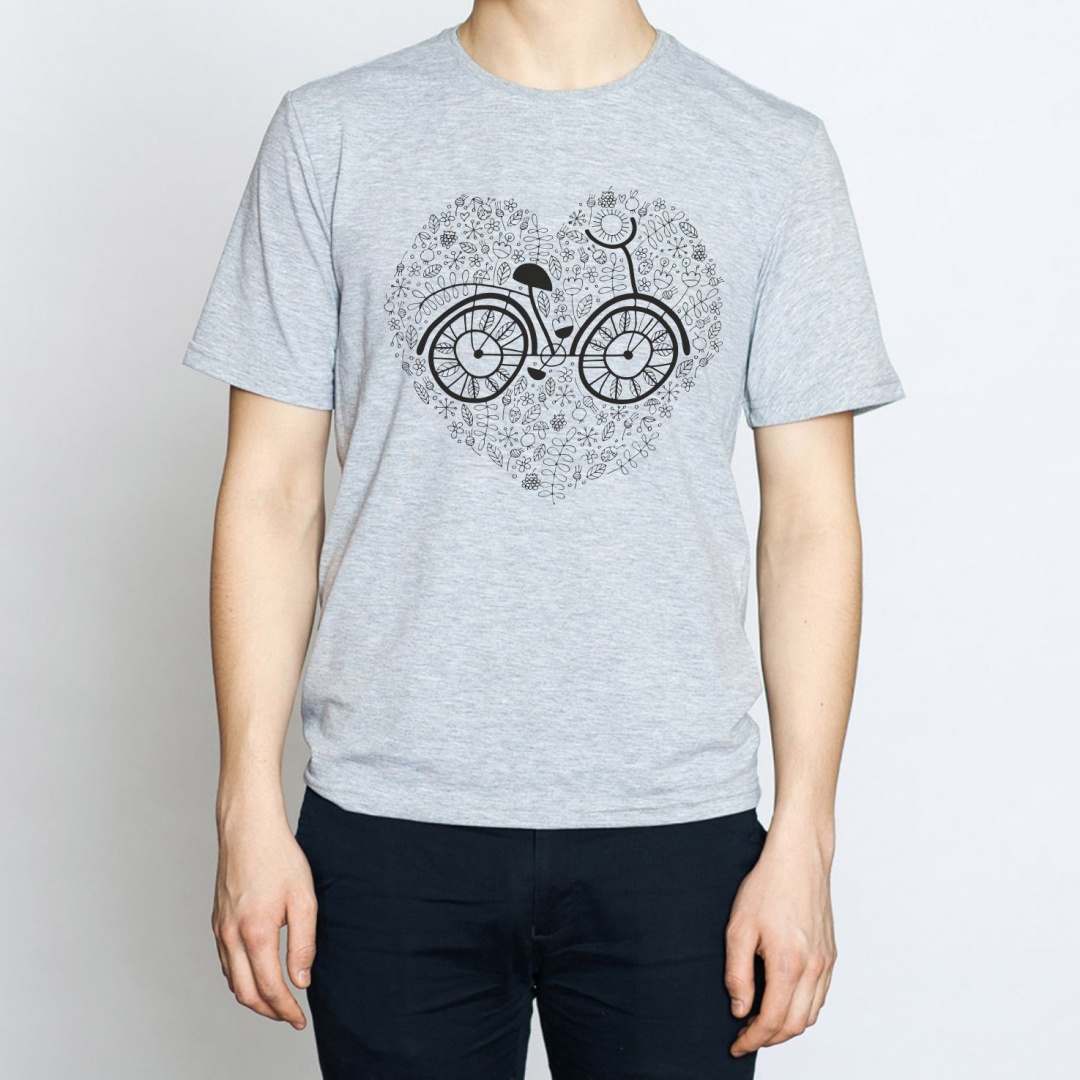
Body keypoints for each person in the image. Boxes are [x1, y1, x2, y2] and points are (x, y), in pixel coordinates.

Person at [182, 1, 905, 1075]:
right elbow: (270, 495)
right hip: (389, 816)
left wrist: (807, 835)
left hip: (677, 825)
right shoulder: (332, 133)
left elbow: (810, 521)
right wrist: (244, 805)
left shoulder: (771, 152)